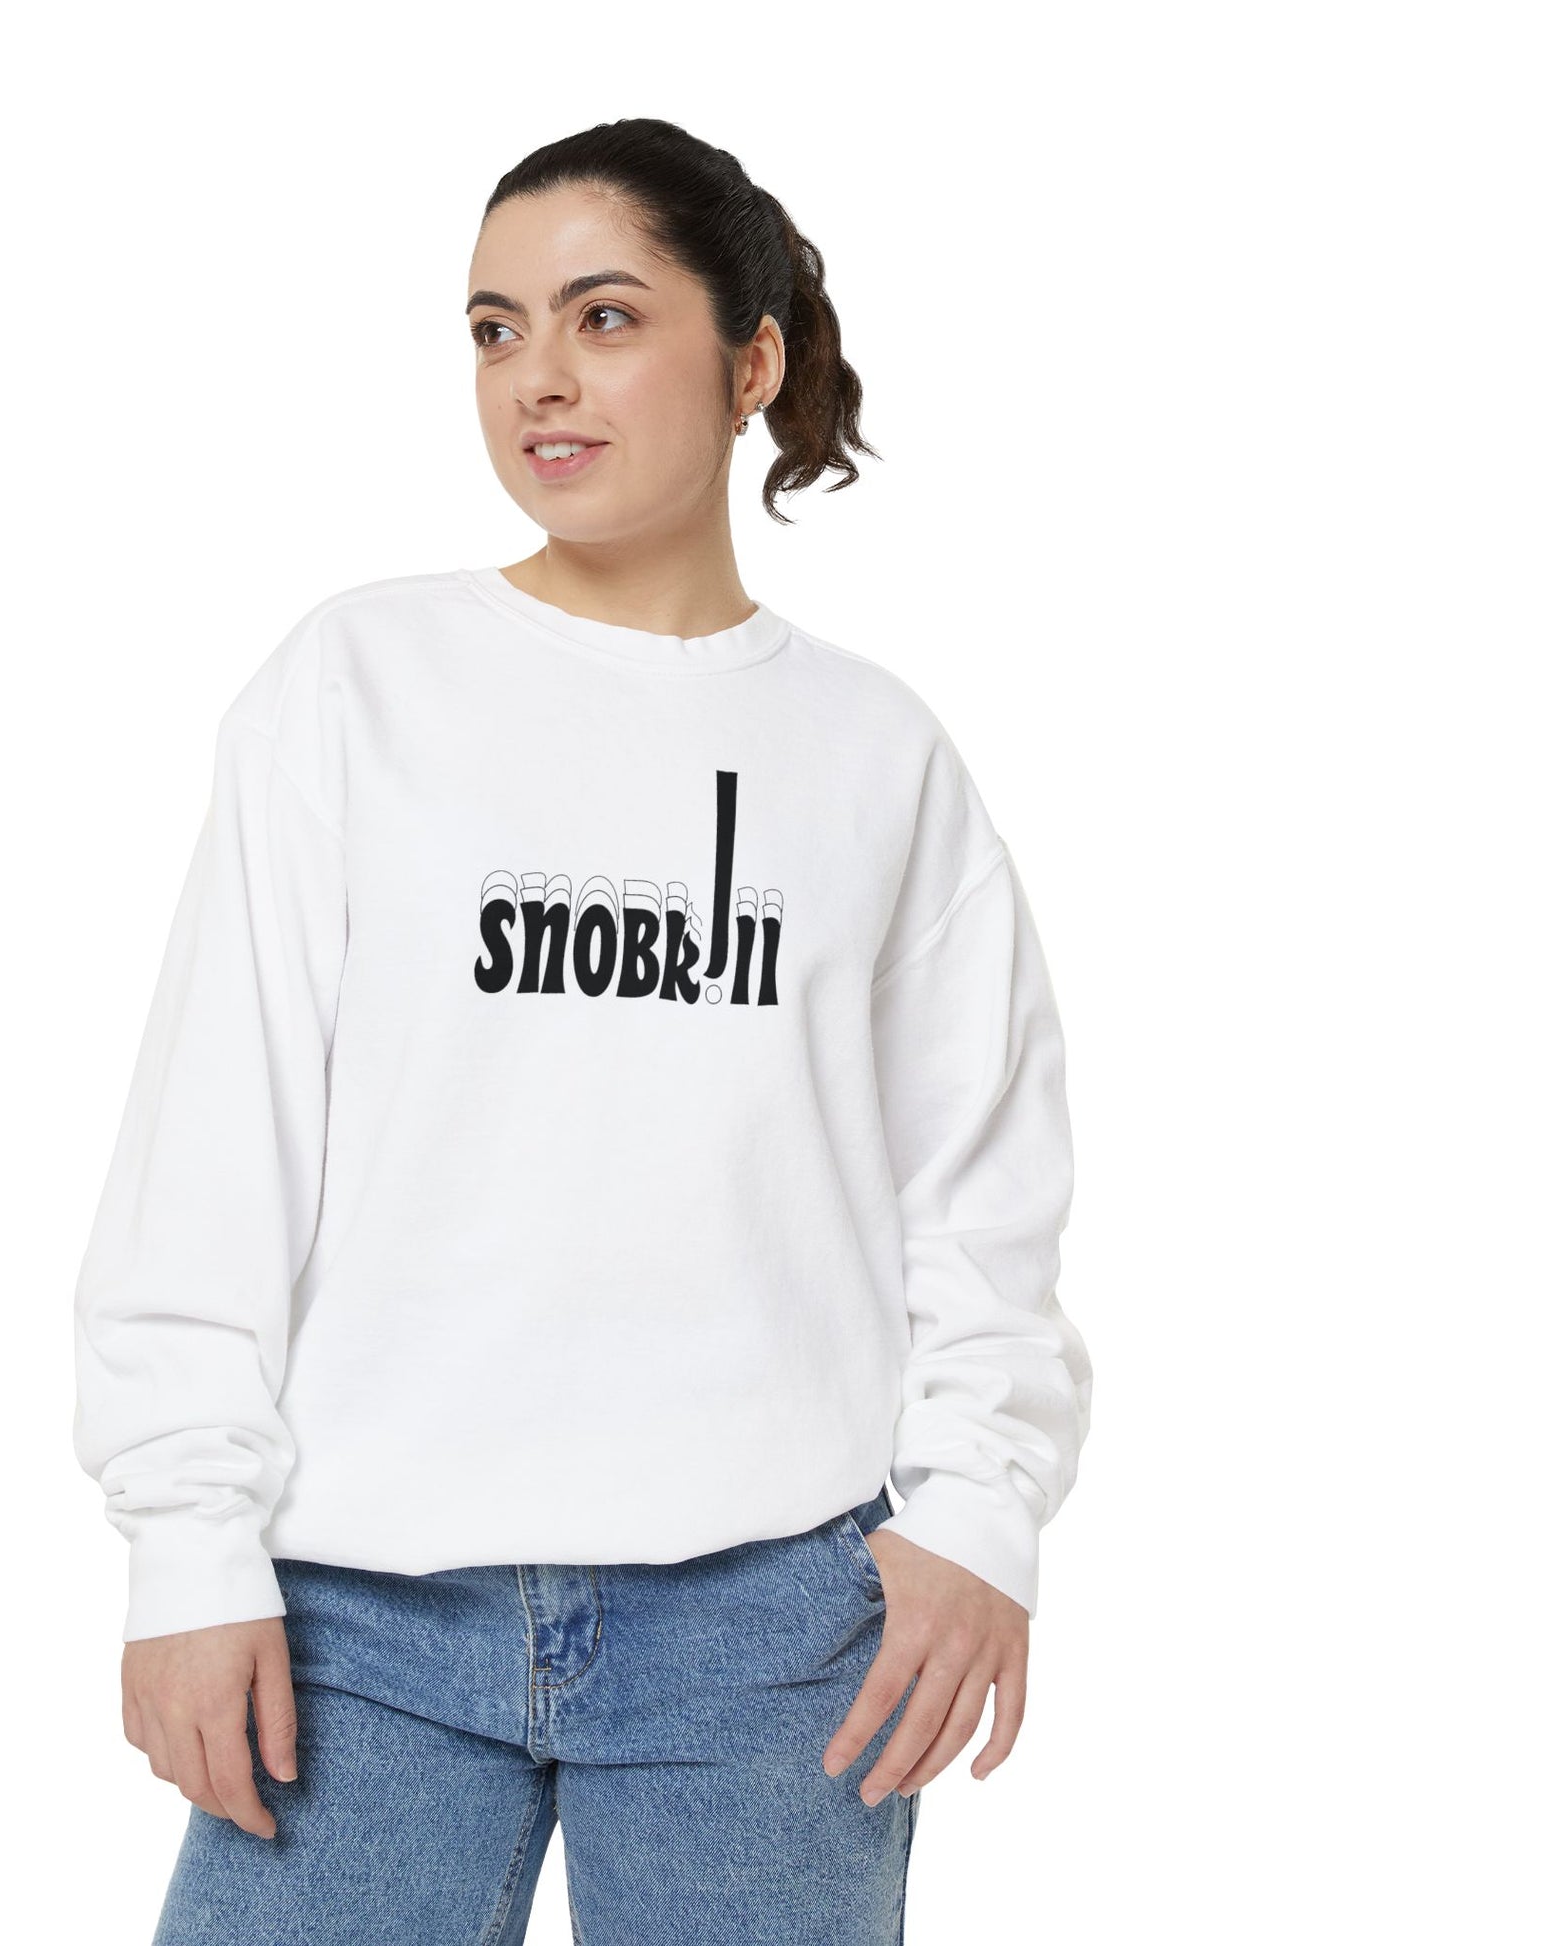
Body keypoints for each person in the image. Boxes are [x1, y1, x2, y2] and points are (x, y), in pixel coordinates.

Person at [71, 115, 1093, 1946]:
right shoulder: (355, 683)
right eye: (494, 328)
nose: (535, 375)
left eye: (603, 317)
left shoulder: (874, 755)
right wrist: (185, 1545)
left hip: (772, 1631)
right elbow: (215, 1139)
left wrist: (976, 1515)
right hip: (358, 1614)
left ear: (750, 359)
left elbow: (982, 1178)